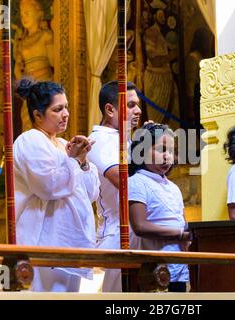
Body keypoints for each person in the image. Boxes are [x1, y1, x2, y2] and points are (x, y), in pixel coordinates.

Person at [13, 78, 99, 292]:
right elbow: (48, 187)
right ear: (37, 114)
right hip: (45, 238)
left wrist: (83, 161)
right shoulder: (30, 140)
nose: (66, 114)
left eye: (66, 107)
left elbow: (90, 194)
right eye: (57, 109)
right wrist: (72, 160)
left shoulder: (62, 144)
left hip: (69, 240)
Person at [87, 80, 142, 292]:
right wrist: (147, 149)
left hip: (136, 229)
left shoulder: (125, 140)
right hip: (118, 232)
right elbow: (124, 182)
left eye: (137, 104)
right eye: (130, 105)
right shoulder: (100, 140)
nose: (138, 110)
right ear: (110, 109)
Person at [128, 123, 190, 292]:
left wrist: (187, 234)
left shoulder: (173, 187)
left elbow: (183, 222)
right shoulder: (137, 182)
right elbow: (140, 226)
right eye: (161, 149)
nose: (167, 156)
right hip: (152, 270)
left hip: (178, 268)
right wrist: (180, 234)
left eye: (170, 151)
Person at [14, 0, 54, 133]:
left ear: (39, 14)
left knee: (42, 117)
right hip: (29, 86)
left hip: (44, 82)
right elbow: (18, 70)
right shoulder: (22, 42)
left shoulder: (46, 36)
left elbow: (53, 62)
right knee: (27, 119)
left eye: (27, 13)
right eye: (22, 14)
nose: (24, 17)